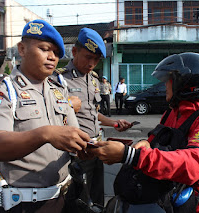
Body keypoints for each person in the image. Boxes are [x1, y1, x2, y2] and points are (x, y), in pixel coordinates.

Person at [0, 19, 91, 213]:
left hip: (65, 198)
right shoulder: (1, 90)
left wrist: (95, 147)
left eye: (56, 53)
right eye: (45, 49)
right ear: (22, 49)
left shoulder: (58, 90)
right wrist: (45, 134)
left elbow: (75, 135)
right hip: (26, 204)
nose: (52, 57)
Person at [90, 52, 199, 212]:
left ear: (184, 84)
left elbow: (193, 165)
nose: (165, 85)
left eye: (169, 81)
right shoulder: (173, 112)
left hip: (198, 204)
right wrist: (143, 144)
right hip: (169, 193)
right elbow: (156, 139)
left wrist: (131, 156)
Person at [55, 27, 132, 212]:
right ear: (74, 51)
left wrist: (114, 123)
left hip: (97, 146)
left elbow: (92, 113)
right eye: (88, 57)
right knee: (79, 199)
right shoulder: (60, 80)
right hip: (77, 152)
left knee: (98, 196)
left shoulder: (94, 80)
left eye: (96, 60)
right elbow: (55, 113)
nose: (92, 63)